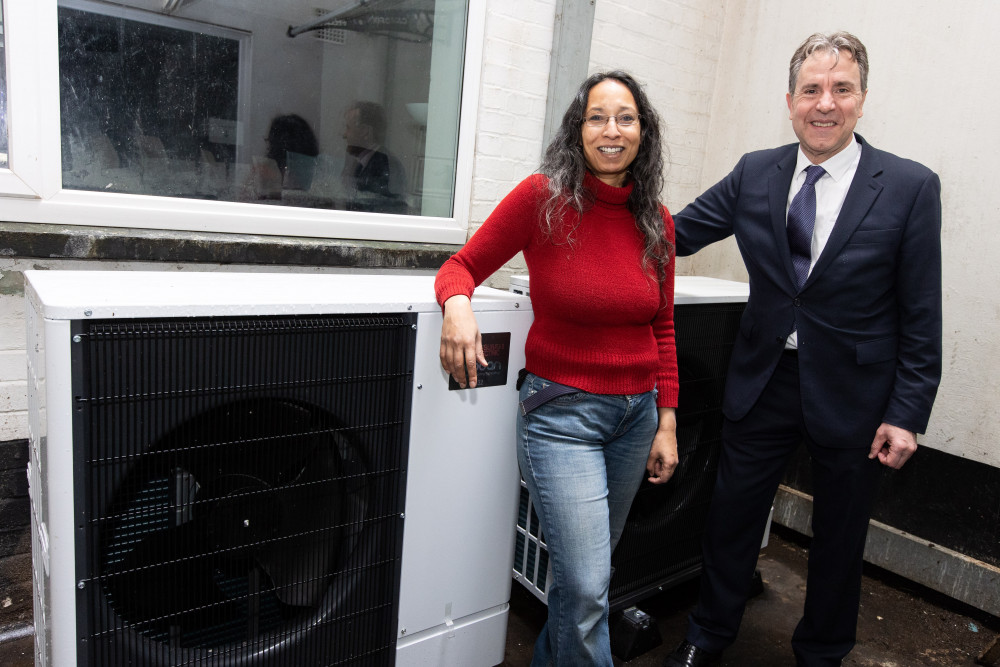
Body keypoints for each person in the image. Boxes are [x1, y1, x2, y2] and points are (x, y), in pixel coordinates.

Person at [660, 32, 942, 667]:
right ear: (790, 101)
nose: (825, 103)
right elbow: (673, 237)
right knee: (730, 518)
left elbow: (922, 312)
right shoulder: (756, 170)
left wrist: (907, 411)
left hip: (858, 395)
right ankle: (707, 635)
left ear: (862, 100)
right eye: (811, 89)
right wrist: (593, 218)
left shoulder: (908, 186)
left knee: (839, 539)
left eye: (841, 89)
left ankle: (822, 653)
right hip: (763, 379)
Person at [435, 71, 681, 666]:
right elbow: (460, 265)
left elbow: (663, 328)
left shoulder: (658, 221)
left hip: (636, 419)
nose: (611, 130)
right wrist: (459, 305)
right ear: (578, 129)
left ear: (643, 132)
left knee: (579, 585)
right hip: (559, 416)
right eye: (597, 117)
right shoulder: (542, 199)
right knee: (591, 582)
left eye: (626, 117)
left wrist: (667, 422)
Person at [341, 101, 408, 213]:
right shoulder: (361, 164)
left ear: (365, 132)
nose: (344, 135)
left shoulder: (386, 169)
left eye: (348, 128)